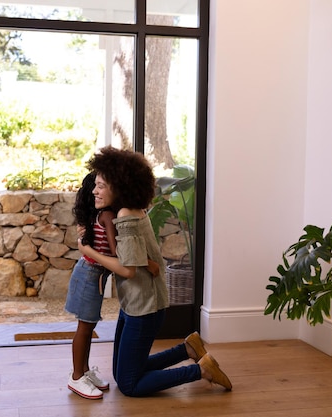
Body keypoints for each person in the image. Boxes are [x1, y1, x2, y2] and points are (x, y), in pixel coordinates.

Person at [77, 146, 232, 397]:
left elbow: (127, 270)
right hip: (136, 303)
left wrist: (89, 251)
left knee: (129, 385)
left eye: (101, 185)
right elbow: (142, 259)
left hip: (144, 308)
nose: (95, 190)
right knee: (123, 372)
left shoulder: (126, 215)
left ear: (120, 186)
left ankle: (201, 370)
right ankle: (187, 350)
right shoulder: (132, 209)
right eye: (96, 184)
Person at [64, 172, 115, 400]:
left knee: (88, 327)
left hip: (91, 273)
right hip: (89, 274)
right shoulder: (107, 215)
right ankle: (76, 377)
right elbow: (116, 252)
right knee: (84, 329)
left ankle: (84, 371)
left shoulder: (99, 215)